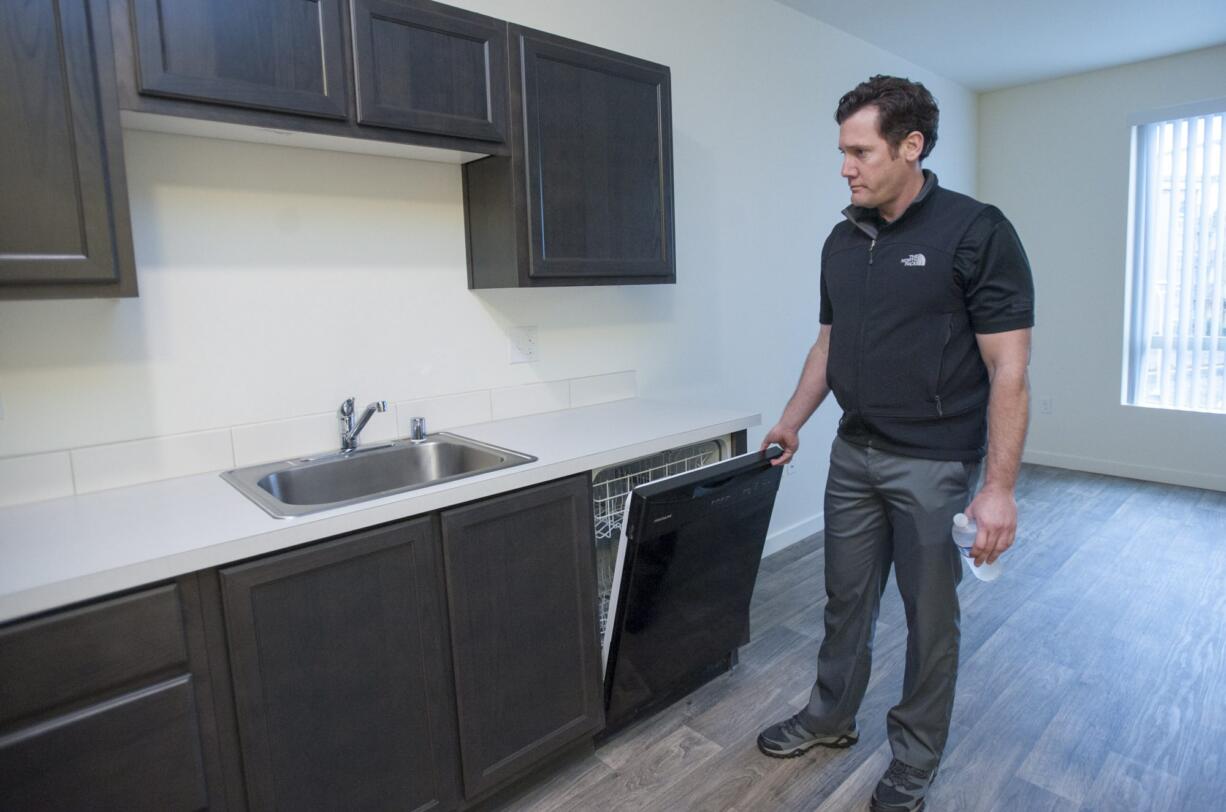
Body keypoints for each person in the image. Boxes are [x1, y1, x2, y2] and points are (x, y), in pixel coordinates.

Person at [755, 75, 1034, 812]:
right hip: (853, 452)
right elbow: (828, 344)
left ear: (911, 147)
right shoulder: (842, 241)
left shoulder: (976, 232)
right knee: (845, 600)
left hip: (936, 462)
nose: (845, 167)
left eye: (860, 150)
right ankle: (828, 717)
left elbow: (1009, 367)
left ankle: (913, 757)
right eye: (843, 151)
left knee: (929, 619)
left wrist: (998, 487)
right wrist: (792, 420)